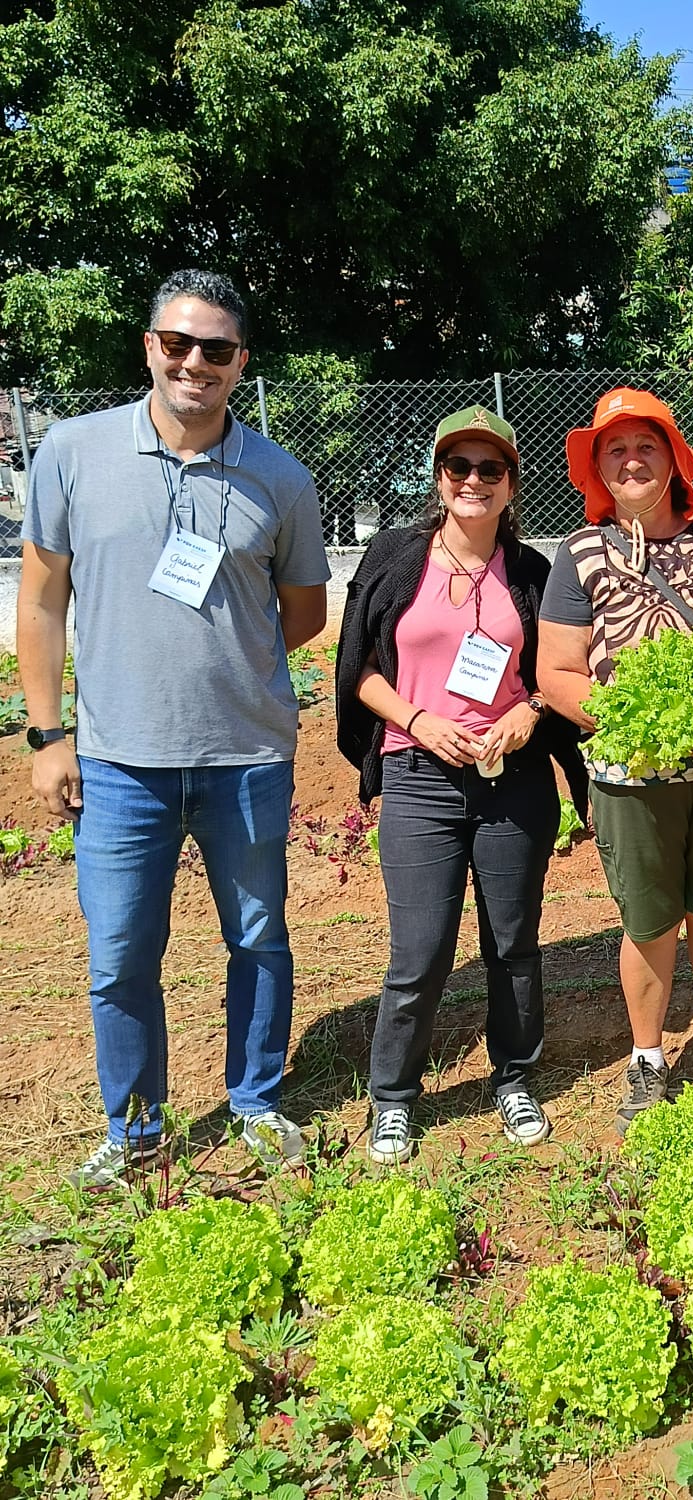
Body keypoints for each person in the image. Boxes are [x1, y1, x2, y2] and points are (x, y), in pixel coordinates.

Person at [17, 269, 330, 1186]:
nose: (196, 362)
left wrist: (231, 663)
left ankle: (255, 1100)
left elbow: (303, 612)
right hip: (117, 764)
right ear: (150, 346)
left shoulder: (279, 475)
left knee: (259, 938)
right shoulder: (74, 453)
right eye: (179, 343)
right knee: (119, 955)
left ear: (240, 364)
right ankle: (137, 1125)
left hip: (246, 757)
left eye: (217, 350)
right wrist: (48, 734)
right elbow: (40, 603)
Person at [335, 407, 587, 1163]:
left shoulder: (533, 575)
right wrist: (420, 718)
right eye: (458, 468)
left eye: (490, 469)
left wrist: (529, 713)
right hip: (419, 773)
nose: (472, 481)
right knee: (420, 948)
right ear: (439, 479)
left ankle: (513, 1077)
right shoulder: (393, 558)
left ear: (512, 484)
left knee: (513, 942)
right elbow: (358, 672)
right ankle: (394, 1098)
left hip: (511, 779)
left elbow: (558, 675)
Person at [536, 388, 693, 1134]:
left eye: (646, 445)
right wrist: (635, 723)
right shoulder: (580, 553)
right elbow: (556, 670)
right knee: (648, 919)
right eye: (615, 450)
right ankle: (647, 1060)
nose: (632, 459)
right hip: (627, 774)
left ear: (674, 458)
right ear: (599, 471)